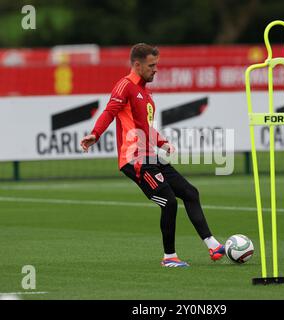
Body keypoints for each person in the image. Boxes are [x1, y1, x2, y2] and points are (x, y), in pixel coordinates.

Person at [80, 43, 224, 267]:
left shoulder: (145, 94)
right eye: (152, 65)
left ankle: (213, 245)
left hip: (150, 156)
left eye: (156, 64)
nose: (156, 69)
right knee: (168, 201)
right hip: (134, 160)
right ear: (137, 65)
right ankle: (169, 258)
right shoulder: (125, 86)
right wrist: (95, 134)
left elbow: (145, 128)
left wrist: (162, 142)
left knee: (190, 193)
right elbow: (109, 111)